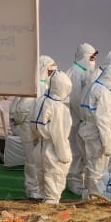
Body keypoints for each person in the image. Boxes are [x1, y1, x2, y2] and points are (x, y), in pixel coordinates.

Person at [10, 55, 56, 199]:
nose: (51, 74)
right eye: (49, 71)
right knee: (31, 160)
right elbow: (20, 109)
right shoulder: (32, 85)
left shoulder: (45, 86)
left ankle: (39, 188)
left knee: (39, 159)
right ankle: (32, 189)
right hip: (28, 129)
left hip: (38, 130)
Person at [77, 60, 111, 200]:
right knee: (97, 167)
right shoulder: (104, 93)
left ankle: (91, 193)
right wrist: (107, 142)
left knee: (91, 165)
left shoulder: (93, 87)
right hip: (95, 133)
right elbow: (103, 121)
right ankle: (96, 196)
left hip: (86, 129)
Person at [31, 71, 72, 204]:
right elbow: (58, 132)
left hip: (40, 145)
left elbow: (32, 125)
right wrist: (63, 153)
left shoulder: (40, 100)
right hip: (53, 147)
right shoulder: (59, 107)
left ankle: (46, 199)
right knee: (55, 174)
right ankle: (51, 203)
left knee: (42, 174)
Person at [64, 42, 98, 193]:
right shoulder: (76, 73)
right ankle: (74, 181)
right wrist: (86, 116)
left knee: (81, 152)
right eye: (91, 57)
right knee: (76, 151)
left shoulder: (83, 72)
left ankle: (79, 179)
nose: (93, 61)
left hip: (81, 119)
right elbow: (77, 100)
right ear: (84, 56)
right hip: (75, 119)